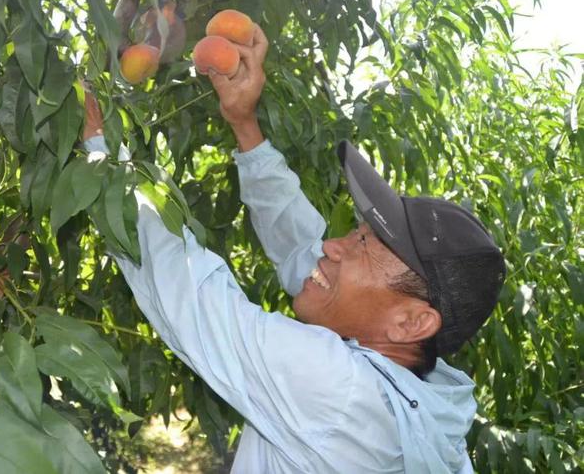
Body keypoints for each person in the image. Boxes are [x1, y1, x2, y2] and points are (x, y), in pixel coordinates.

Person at [83, 24, 506, 474]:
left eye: (363, 245)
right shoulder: (425, 394)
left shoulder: (342, 393)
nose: (332, 245)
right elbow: (300, 244)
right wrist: (244, 124)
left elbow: (192, 298)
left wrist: (97, 147)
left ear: (411, 322)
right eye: (356, 233)